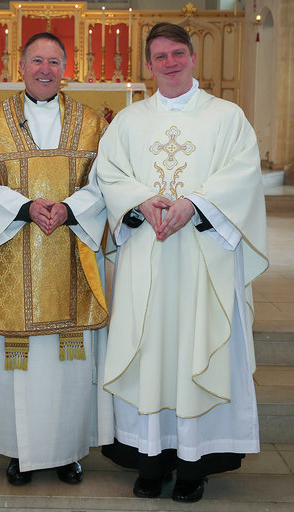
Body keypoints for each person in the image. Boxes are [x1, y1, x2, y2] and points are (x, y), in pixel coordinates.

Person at [97, 23, 268, 503]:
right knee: (150, 350)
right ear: (148, 66)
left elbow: (242, 175)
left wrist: (194, 204)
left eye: (177, 54)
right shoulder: (129, 121)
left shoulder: (227, 117)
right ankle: (150, 460)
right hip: (147, 253)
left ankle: (195, 464)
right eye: (159, 57)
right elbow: (108, 173)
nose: (169, 63)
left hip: (204, 258)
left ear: (193, 58)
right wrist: (140, 201)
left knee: (197, 344)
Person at [0, 32, 113, 486]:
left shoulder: (92, 124)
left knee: (69, 367)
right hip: (13, 247)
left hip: (71, 253)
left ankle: (68, 452)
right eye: (36, 61)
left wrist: (72, 209)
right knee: (19, 367)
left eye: (53, 61)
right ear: (20, 66)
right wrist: (25, 208)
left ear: (67, 67)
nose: (44, 69)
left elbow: (107, 181)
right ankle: (16, 451)